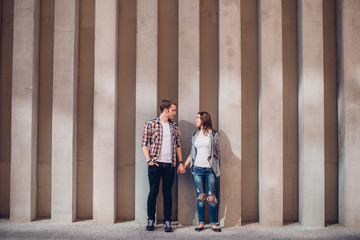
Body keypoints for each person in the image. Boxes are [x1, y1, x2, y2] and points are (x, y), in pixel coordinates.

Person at [142, 99, 183, 232]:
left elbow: (178, 145)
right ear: (166, 110)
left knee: (167, 194)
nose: (174, 113)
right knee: (153, 192)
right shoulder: (151, 124)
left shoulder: (174, 126)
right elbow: (144, 144)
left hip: (170, 165)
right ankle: (150, 220)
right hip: (155, 165)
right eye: (173, 110)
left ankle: (167, 221)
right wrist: (149, 160)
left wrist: (180, 162)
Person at [178, 111, 221, 232]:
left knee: (211, 197)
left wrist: (213, 163)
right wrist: (184, 166)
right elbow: (192, 153)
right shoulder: (195, 135)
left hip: (210, 170)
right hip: (197, 169)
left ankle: (213, 223)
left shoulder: (213, 134)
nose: (196, 120)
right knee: (200, 197)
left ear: (204, 119)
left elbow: (218, 151)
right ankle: (201, 222)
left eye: (198, 118)